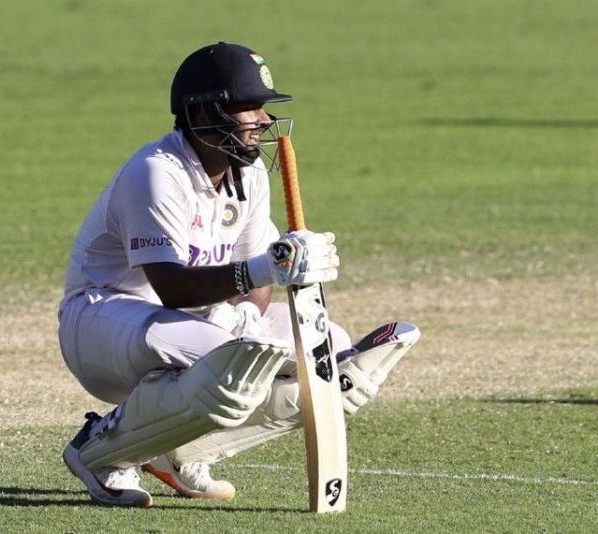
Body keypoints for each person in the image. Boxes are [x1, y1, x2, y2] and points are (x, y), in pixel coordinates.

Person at [57, 42, 420, 507]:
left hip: (191, 323)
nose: (264, 120)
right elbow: (171, 288)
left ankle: (180, 452)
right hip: (101, 321)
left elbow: (257, 286)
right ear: (204, 111)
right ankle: (101, 449)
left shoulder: (246, 177)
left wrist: (247, 313)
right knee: (232, 364)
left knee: (323, 353)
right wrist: (265, 270)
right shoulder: (155, 172)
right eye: (248, 107)